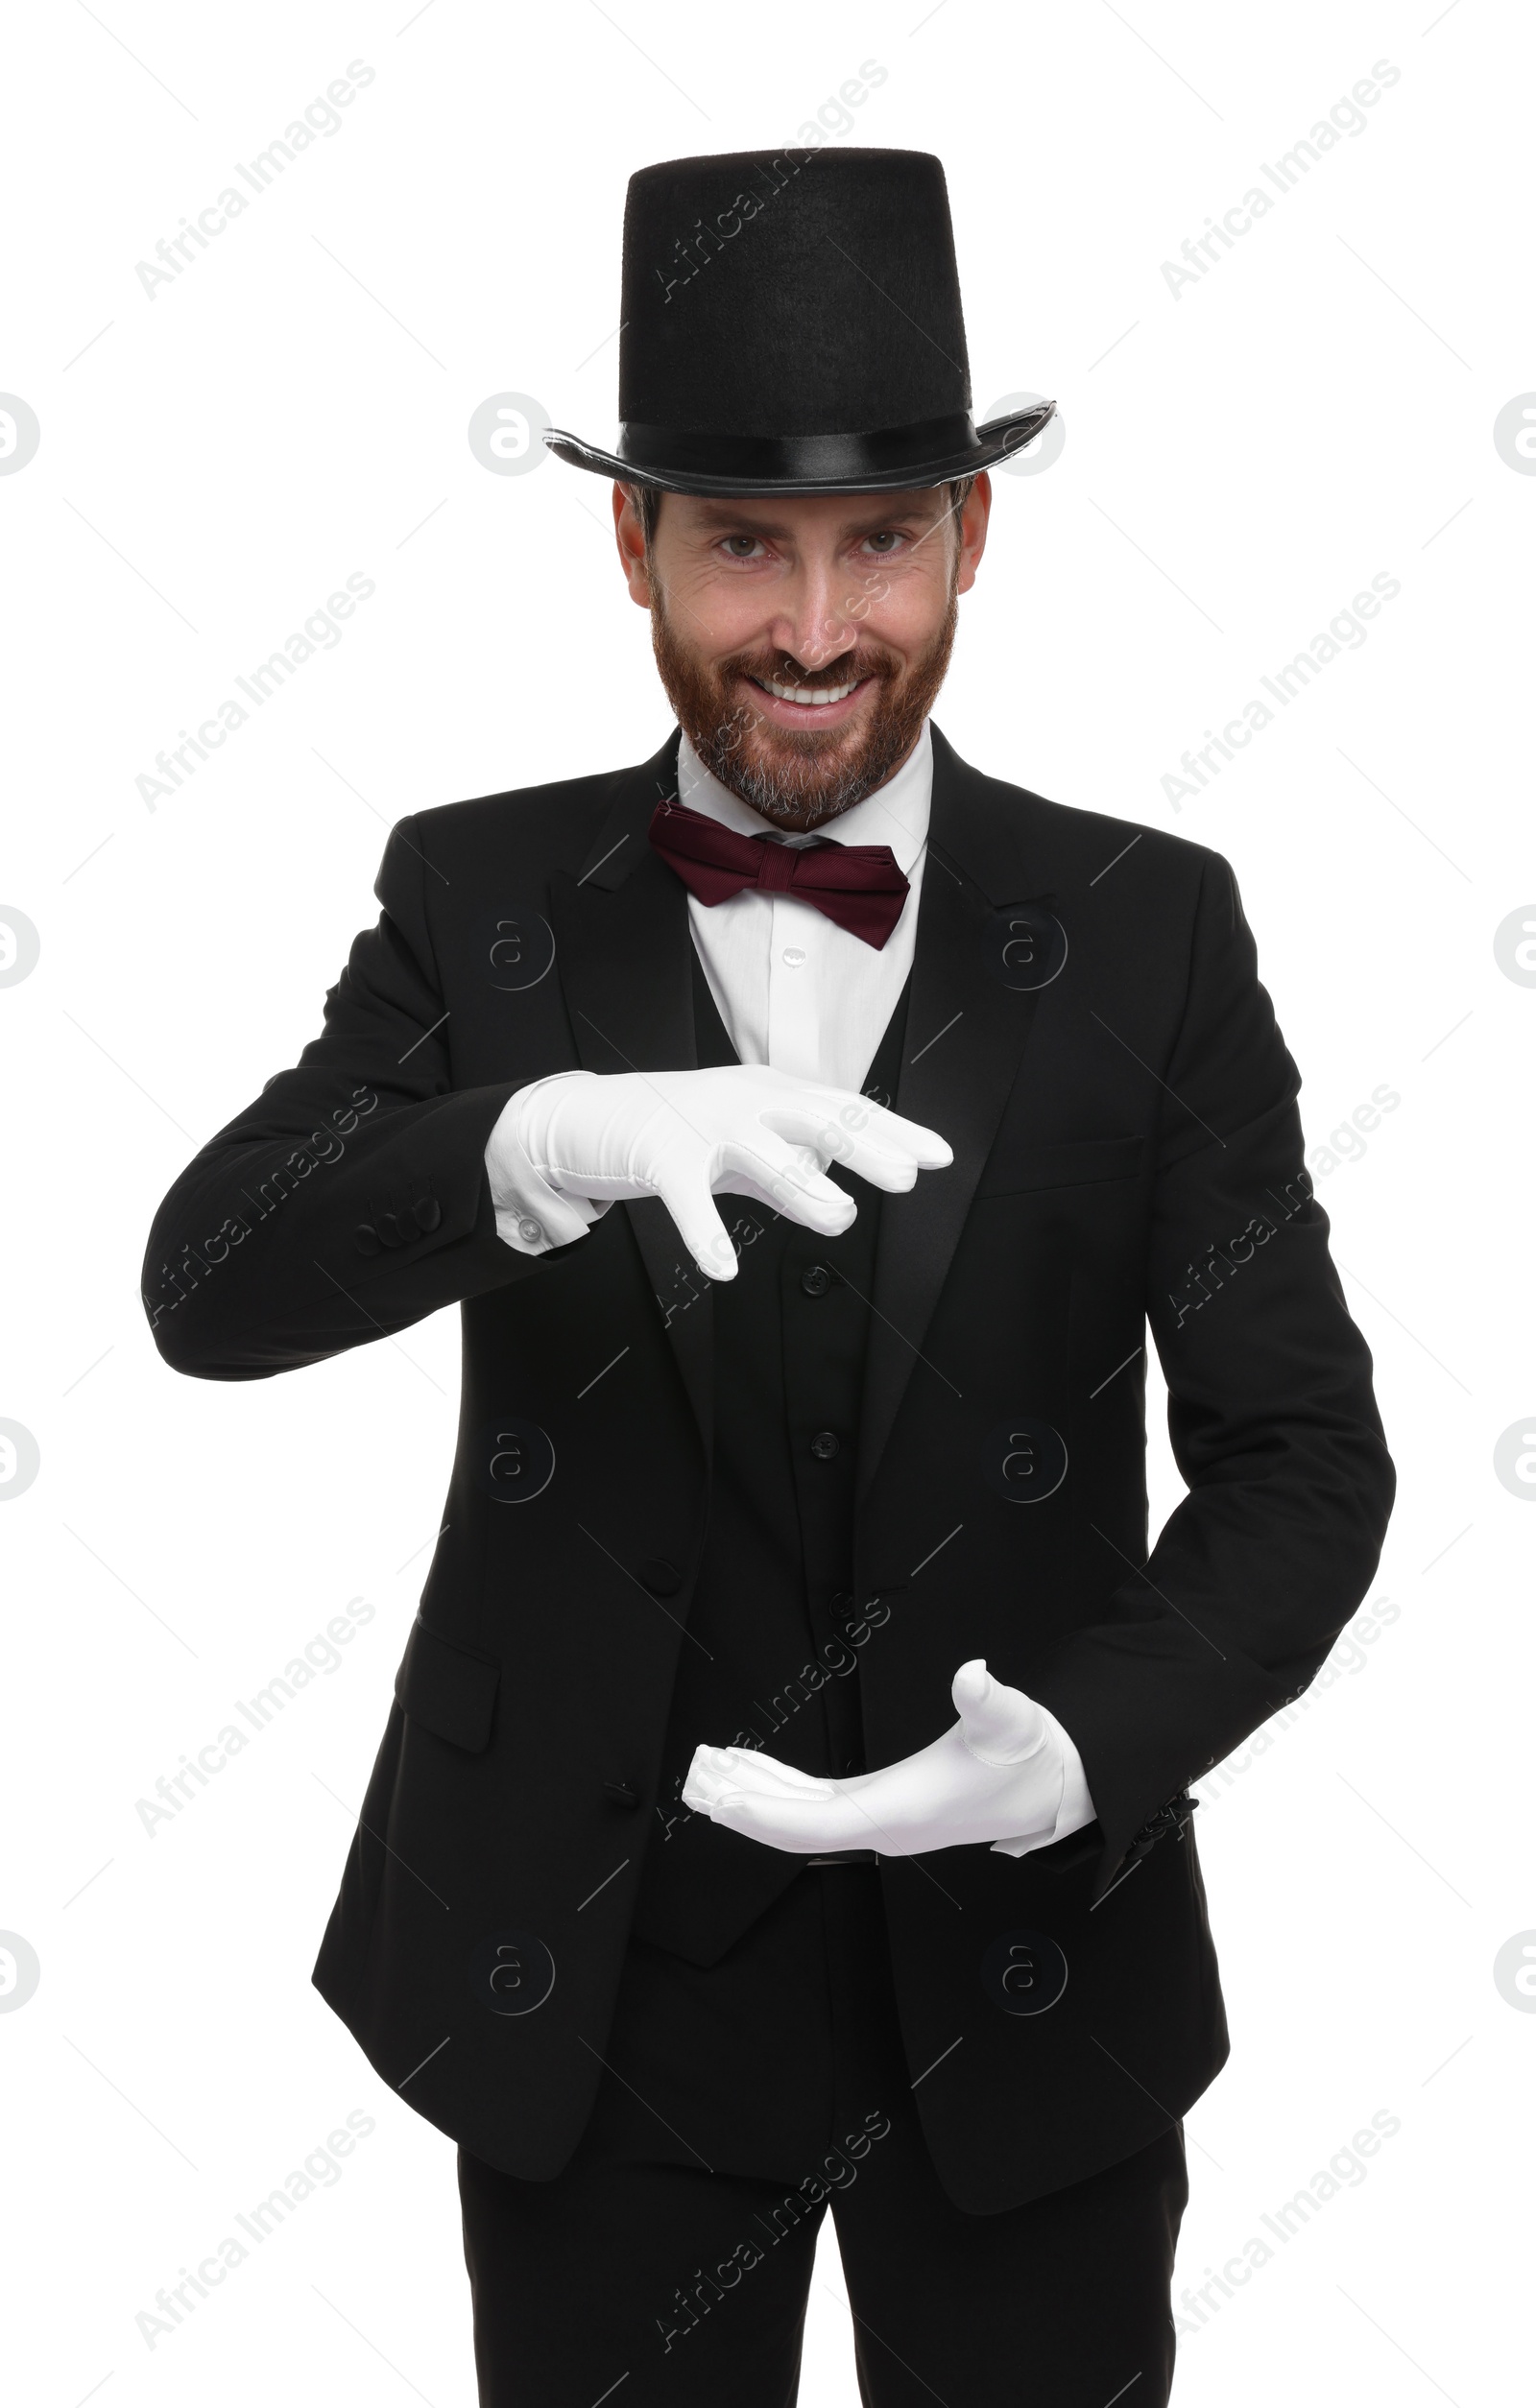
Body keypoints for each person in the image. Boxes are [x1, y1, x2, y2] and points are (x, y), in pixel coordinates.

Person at [143, 145, 1395, 2407]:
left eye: (878, 541)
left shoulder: (1151, 926)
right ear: (627, 542)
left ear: (969, 537)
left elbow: (1304, 1460)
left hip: (1027, 1990)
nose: (815, 627)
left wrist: (1080, 1749)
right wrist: (530, 1140)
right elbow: (209, 1283)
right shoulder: (479, 896)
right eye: (740, 542)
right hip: (587, 2000)